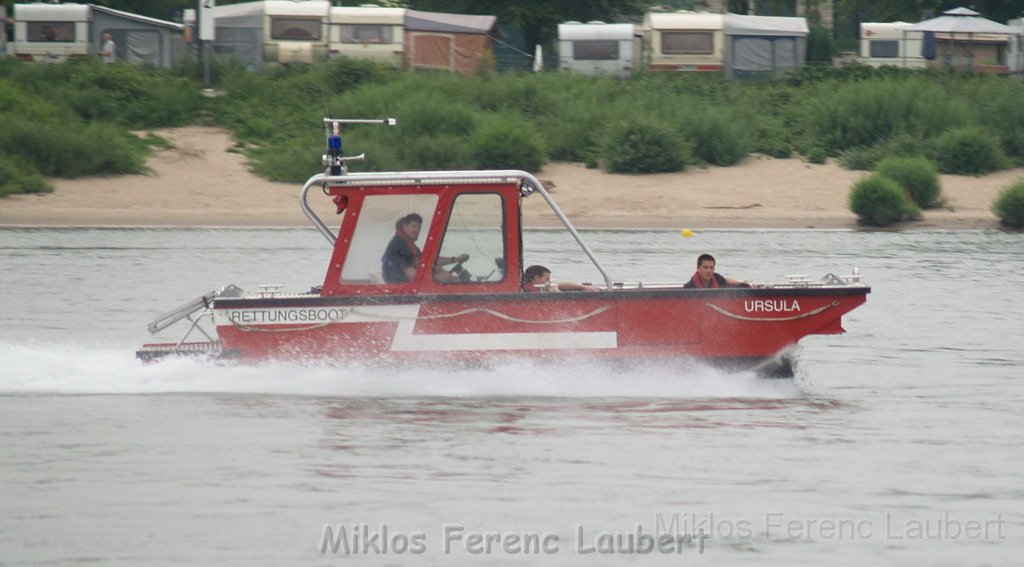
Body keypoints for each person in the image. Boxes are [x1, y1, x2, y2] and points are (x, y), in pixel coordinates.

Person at [380, 213, 468, 283]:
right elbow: (415, 269)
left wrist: (455, 259)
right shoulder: (398, 244)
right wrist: (439, 277)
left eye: (419, 227)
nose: (417, 230)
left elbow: (428, 261)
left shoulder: (409, 245)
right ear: (404, 227)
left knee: (439, 270)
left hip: (405, 283)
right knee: (439, 272)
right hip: (402, 288)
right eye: (414, 226)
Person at [683, 253, 752, 289]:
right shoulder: (689, 287)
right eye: (705, 267)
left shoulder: (717, 278)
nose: (709, 270)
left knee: (743, 286)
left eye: (711, 267)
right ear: (698, 269)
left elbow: (726, 280)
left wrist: (747, 284)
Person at [521, 265, 598, 292]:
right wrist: (555, 290)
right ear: (537, 278)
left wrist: (583, 287)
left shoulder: (538, 287)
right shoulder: (530, 291)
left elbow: (560, 285)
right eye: (547, 279)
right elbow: (559, 302)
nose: (549, 282)